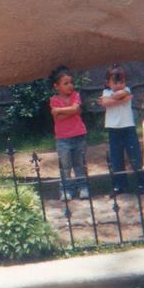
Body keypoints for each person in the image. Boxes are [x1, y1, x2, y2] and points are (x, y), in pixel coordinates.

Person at [98, 64, 144, 196]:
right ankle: (120, 185)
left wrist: (113, 99)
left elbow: (118, 97)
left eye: (121, 81)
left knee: (135, 157)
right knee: (116, 159)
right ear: (107, 82)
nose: (119, 85)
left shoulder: (126, 89)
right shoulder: (106, 92)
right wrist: (118, 100)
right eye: (115, 81)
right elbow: (106, 103)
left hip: (128, 128)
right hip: (113, 129)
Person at [49, 66, 89, 200]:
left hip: (79, 135)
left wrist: (61, 110)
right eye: (66, 83)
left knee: (80, 164)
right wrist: (72, 111)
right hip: (63, 139)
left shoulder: (76, 95)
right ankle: (66, 190)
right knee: (65, 167)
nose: (70, 85)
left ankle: (83, 187)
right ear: (57, 86)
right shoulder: (54, 100)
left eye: (71, 82)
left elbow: (75, 109)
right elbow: (59, 117)